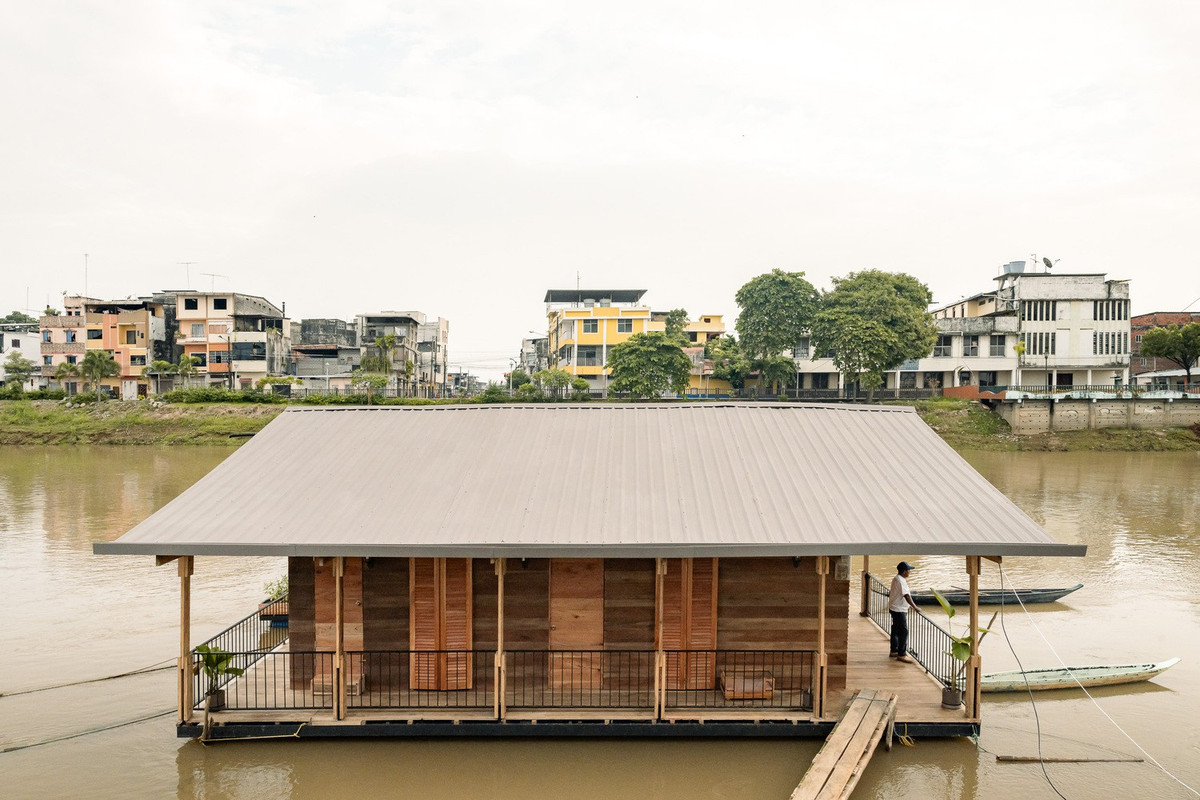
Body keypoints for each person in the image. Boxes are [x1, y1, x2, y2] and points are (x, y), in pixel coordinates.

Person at [889, 561, 917, 663]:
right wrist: (915, 607)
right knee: (903, 631)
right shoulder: (900, 581)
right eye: (908, 570)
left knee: (896, 629)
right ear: (904, 571)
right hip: (899, 610)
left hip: (895, 608)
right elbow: (906, 595)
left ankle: (894, 650)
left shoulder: (897, 579)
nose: (909, 572)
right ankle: (901, 654)